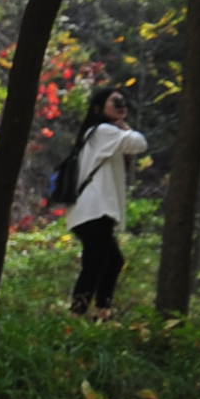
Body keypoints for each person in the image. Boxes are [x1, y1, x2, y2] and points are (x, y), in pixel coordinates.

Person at [61, 87, 149, 317]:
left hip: (92, 211)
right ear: (99, 108)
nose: (121, 105)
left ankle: (101, 312)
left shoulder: (98, 133)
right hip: (94, 210)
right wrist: (123, 124)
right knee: (96, 264)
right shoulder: (102, 131)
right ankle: (78, 314)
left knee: (111, 261)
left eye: (122, 102)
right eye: (115, 102)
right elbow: (139, 143)